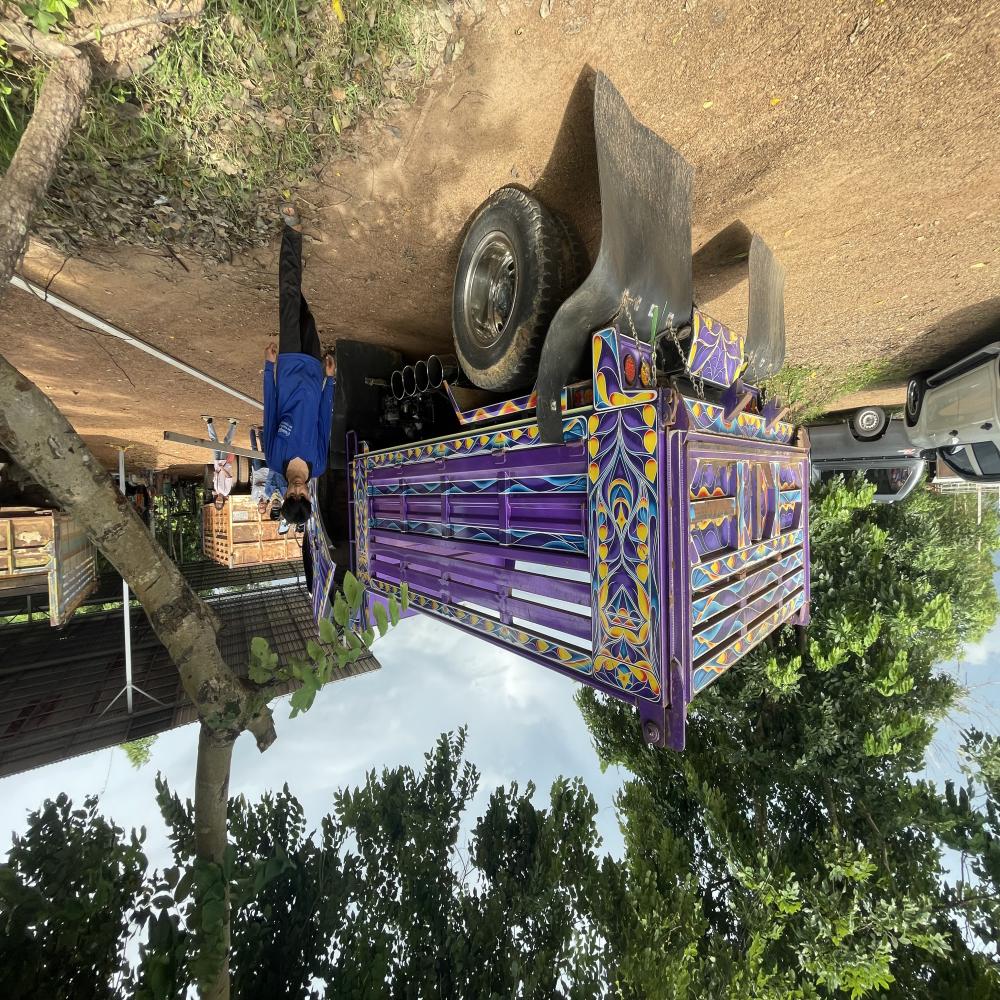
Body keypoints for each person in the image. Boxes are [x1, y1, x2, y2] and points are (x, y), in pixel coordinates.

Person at [263, 205, 336, 527]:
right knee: (306, 315)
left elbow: (270, 410)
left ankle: (292, 231)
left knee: (289, 299)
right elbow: (324, 419)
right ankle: (293, 273)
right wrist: (330, 380)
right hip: (313, 370)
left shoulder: (274, 458)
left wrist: (269, 368)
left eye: (290, 497)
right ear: (309, 496)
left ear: (284, 496)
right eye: (301, 497)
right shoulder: (318, 464)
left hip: (290, 365)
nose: (296, 490)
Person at [203, 415, 237, 508]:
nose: (218, 501)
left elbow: (216, 477)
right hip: (224, 464)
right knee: (226, 443)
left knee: (214, 442)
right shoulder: (226, 492)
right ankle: (233, 424)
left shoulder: (217, 490)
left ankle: (209, 422)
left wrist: (215, 474)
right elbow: (229, 477)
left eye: (217, 502)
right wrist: (222, 468)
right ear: (223, 502)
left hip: (217, 464)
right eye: (220, 503)